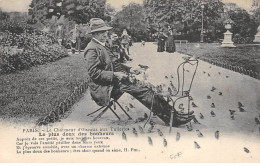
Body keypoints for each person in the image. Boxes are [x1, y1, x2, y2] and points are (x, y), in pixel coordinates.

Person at [84, 18, 194, 127]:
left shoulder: (102, 45)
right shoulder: (92, 49)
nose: (106, 34)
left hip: (115, 81)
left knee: (148, 88)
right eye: (103, 32)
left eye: (106, 31)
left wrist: (129, 70)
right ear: (95, 34)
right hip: (105, 87)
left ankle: (175, 114)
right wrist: (115, 75)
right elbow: (94, 73)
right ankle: (172, 119)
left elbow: (114, 64)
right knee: (144, 91)